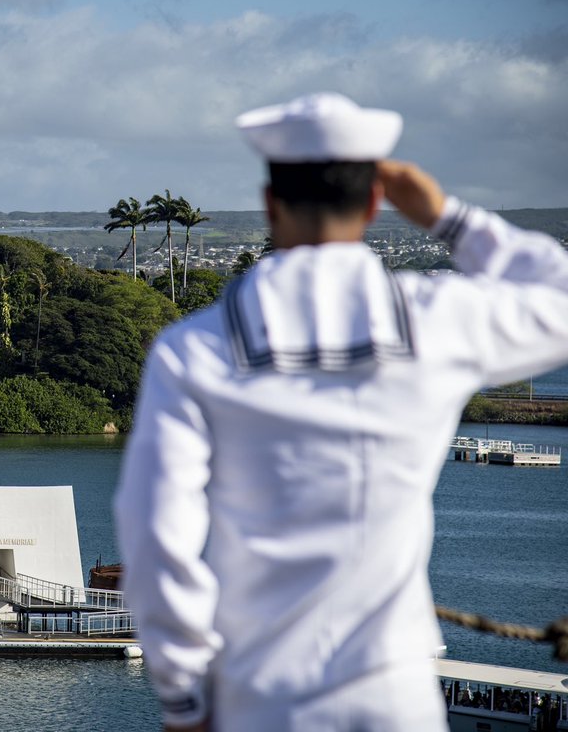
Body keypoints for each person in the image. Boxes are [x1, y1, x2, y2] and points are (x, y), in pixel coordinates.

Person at [114, 92, 568, 731]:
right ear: (376, 202)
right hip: (394, 692)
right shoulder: (437, 323)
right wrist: (447, 217)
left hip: (259, 693)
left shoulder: (193, 350)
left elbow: (156, 534)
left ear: (270, 203)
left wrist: (182, 695)